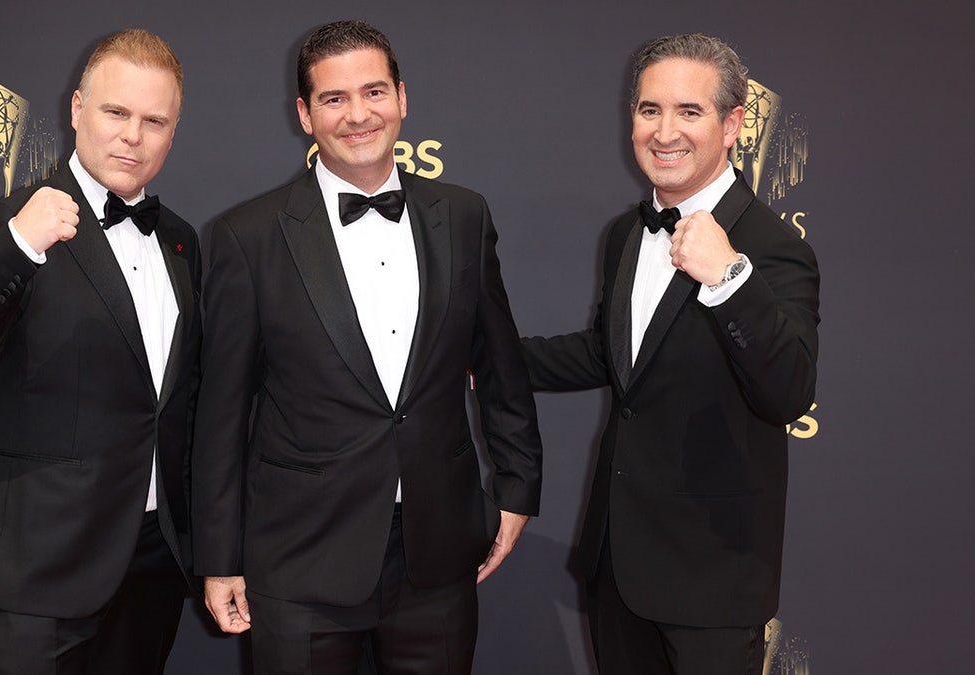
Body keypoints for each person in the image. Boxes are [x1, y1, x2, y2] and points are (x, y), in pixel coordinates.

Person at [191, 19, 543, 675]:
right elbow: (221, 413)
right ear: (304, 113)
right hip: (301, 557)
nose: (359, 115)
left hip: (437, 552)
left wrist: (520, 486)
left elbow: (500, 363)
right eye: (334, 98)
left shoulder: (465, 215)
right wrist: (219, 556)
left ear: (402, 98)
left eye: (374, 92)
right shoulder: (248, 235)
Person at [521, 33, 820, 674]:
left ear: (733, 124)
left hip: (712, 574)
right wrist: (480, 359)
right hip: (619, 564)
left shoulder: (772, 248)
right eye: (650, 110)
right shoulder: (627, 233)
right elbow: (609, 356)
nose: (664, 132)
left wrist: (728, 279)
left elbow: (790, 389)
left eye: (689, 111)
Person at [0, 29, 199, 675]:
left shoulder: (181, 242)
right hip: (37, 565)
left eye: (154, 120)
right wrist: (20, 244)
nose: (133, 135)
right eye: (116, 112)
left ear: (172, 132)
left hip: (153, 558)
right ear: (76, 109)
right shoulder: (10, 221)